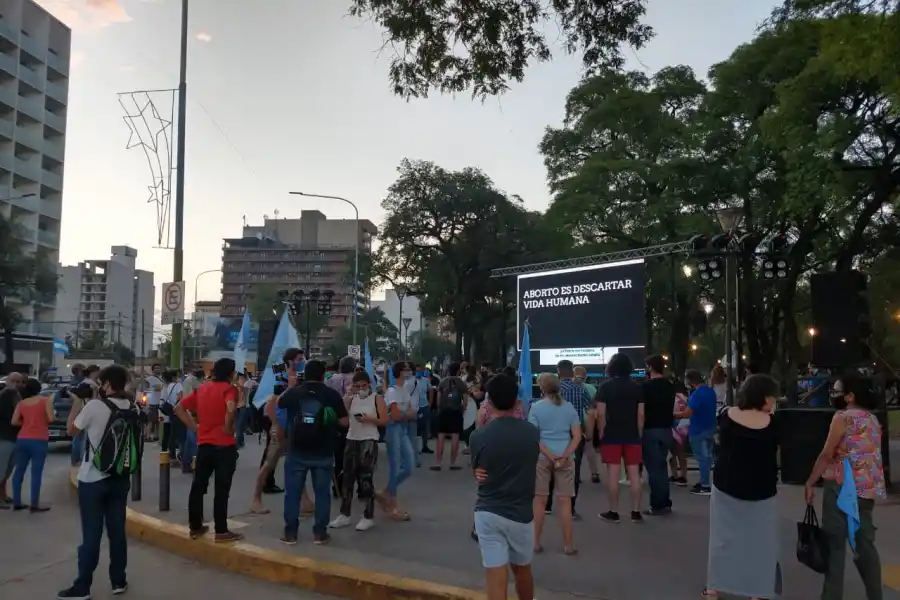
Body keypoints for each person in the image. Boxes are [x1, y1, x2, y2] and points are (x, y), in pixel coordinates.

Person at [58, 364, 140, 600]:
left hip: (93, 479)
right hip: (120, 478)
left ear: (105, 384)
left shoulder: (94, 406)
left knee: (91, 535)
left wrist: (77, 403)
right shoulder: (132, 406)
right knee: (117, 532)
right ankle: (118, 581)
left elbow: (72, 431)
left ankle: (82, 587)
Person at [805, 371, 885, 600]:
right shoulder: (872, 419)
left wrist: (811, 481)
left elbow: (827, 453)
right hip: (865, 488)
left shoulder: (842, 417)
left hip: (840, 487)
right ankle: (875, 595)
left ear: (850, 396)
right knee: (865, 545)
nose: (833, 395)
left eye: (837, 391)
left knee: (835, 548)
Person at [704, 374, 782, 599]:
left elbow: (719, 443)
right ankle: (757, 590)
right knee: (761, 541)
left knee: (721, 538)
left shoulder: (726, 416)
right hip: (762, 489)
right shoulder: (773, 423)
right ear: (765, 397)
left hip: (726, 485)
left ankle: (714, 587)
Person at [469, 373, 540, 600]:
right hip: (521, 513)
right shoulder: (532, 433)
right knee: (522, 570)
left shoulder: (478, 436)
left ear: (488, 403)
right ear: (517, 401)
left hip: (488, 511)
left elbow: (478, 470)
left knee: (495, 575)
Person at [278, 359, 348, 545]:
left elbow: (279, 403)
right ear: (322, 374)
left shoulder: (295, 392)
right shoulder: (331, 395)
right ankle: (320, 533)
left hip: (297, 450)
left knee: (292, 494)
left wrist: (291, 385)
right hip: (323, 451)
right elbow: (344, 422)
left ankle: (290, 533)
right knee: (322, 493)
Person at [175, 357, 244, 543]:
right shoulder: (230, 389)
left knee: (198, 486)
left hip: (204, 445)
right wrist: (229, 427)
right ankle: (221, 531)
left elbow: (179, 408)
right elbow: (231, 408)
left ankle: (195, 526)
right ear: (231, 373)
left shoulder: (202, 388)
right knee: (221, 489)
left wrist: (195, 428)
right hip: (224, 446)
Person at [529, 373, 581, 554]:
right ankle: (568, 545)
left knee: (540, 500)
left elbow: (534, 437)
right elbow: (577, 436)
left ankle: (535, 542)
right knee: (565, 501)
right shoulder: (569, 408)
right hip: (565, 459)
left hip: (543, 458)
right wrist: (565, 455)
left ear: (541, 388)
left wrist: (551, 455)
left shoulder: (536, 408)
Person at [329, 371, 387, 531]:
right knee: (347, 478)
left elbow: (384, 420)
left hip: (369, 439)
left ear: (369, 384)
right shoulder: (351, 398)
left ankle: (368, 516)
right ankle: (344, 515)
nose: (361, 388)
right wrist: (348, 395)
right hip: (352, 438)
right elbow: (339, 412)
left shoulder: (377, 398)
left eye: (364, 385)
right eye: (357, 385)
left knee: (365, 478)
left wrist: (369, 419)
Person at [594, 353, 644, 523]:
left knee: (613, 475)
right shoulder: (637, 387)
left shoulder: (605, 387)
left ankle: (613, 511)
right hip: (632, 436)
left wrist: (601, 431)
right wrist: (639, 432)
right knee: (634, 475)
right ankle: (636, 511)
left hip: (612, 435)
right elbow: (641, 413)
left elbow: (600, 414)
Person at [549, 360, 592, 518]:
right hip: (575, 434)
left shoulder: (553, 390)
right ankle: (571, 508)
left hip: (554, 434)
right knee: (574, 470)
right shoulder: (581, 390)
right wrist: (588, 432)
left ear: (558, 371)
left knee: (551, 467)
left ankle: (547, 504)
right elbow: (590, 410)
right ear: (572, 372)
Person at [377, 361, 417, 519]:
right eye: (406, 369)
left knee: (409, 466)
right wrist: (405, 413)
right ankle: (392, 506)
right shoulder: (392, 392)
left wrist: (404, 413)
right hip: (393, 429)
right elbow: (395, 414)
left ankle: (386, 492)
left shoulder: (404, 390)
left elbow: (410, 411)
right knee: (395, 466)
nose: (409, 372)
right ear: (399, 372)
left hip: (403, 429)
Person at [10, 377, 53, 512]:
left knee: (19, 471)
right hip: (39, 439)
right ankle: (34, 504)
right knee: (36, 473)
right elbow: (51, 418)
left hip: (22, 438)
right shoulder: (45, 401)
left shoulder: (21, 404)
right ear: (39, 389)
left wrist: (27, 424)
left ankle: (17, 502)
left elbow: (14, 422)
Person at [641, 354, 676, 515]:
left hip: (650, 429)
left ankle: (658, 505)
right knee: (662, 466)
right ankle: (665, 501)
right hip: (666, 429)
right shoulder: (670, 385)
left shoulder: (646, 387)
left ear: (650, 367)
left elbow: (641, 411)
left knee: (654, 469)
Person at [678, 369, 717, 496]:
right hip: (710, 427)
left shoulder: (696, 395)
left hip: (698, 429)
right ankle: (704, 481)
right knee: (708, 457)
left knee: (702, 458)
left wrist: (673, 414)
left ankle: (705, 485)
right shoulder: (710, 391)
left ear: (690, 381)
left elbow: (688, 413)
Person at [326, 356, 357, 496]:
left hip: (335, 420)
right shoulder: (357, 380)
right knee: (352, 455)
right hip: (354, 421)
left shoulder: (331, 380)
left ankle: (337, 486)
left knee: (338, 455)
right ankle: (348, 485)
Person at [432, 362, 468, 471]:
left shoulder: (442, 382)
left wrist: (440, 409)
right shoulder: (461, 383)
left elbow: (438, 400)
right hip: (456, 412)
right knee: (455, 436)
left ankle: (438, 463)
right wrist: (462, 410)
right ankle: (452, 463)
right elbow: (465, 401)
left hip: (443, 412)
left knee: (441, 437)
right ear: (458, 371)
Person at [573, 366, 600, 484]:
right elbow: (594, 406)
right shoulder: (591, 388)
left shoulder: (569, 387)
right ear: (586, 376)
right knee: (589, 447)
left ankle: (575, 474)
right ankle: (594, 473)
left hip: (573, 421)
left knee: (572, 448)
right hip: (588, 419)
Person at [0, 372, 23, 508]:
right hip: (4, 438)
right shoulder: (5, 395)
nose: (15, 384)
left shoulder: (17, 396)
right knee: (2, 469)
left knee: (7, 470)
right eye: (13, 381)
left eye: (18, 381)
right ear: (7, 381)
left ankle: (3, 495)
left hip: (13, 438)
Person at [159, 369, 184, 467]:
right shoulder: (178, 385)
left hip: (170, 411)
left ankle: (169, 455)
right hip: (177, 411)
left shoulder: (169, 386)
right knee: (178, 435)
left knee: (170, 435)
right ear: (176, 376)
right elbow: (181, 397)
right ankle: (175, 457)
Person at [144, 364, 163, 441]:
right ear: (153, 370)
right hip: (152, 402)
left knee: (158, 420)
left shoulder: (162, 378)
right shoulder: (150, 379)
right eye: (156, 368)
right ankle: (148, 436)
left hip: (160, 402)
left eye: (159, 368)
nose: (158, 369)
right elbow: (158, 388)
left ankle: (156, 435)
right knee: (150, 421)